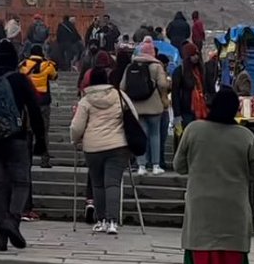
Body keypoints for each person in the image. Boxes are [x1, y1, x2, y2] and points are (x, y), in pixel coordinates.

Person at [173, 87, 254, 264]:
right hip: (233, 214)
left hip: (201, 212)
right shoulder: (245, 137)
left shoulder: (193, 130)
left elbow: (178, 165)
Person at [0, 39, 46, 251]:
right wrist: (41, 140)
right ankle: (12, 220)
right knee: (21, 182)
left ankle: (0, 237)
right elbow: (34, 110)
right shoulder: (20, 79)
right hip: (17, 138)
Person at [70, 66, 137, 235]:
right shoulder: (119, 95)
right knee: (113, 183)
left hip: (93, 147)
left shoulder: (86, 100)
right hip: (118, 145)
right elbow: (134, 116)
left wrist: (74, 139)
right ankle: (113, 221)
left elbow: (77, 126)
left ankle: (101, 220)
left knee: (98, 184)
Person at [121, 38, 168, 174]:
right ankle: (155, 165)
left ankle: (141, 165)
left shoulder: (131, 66)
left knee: (142, 135)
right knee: (155, 135)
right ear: (153, 52)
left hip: (137, 106)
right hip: (154, 106)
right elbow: (163, 84)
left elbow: (122, 86)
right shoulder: (156, 66)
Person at [20, 44, 58, 169]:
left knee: (28, 131)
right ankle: (45, 159)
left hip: (29, 102)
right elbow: (54, 76)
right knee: (44, 131)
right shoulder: (48, 65)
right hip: (43, 101)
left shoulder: (24, 64)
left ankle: (27, 159)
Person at [172, 42, 207, 130]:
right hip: (186, 110)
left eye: (197, 54)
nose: (196, 57)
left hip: (201, 109)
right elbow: (175, 94)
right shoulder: (180, 71)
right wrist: (177, 115)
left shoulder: (200, 70)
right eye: (193, 55)